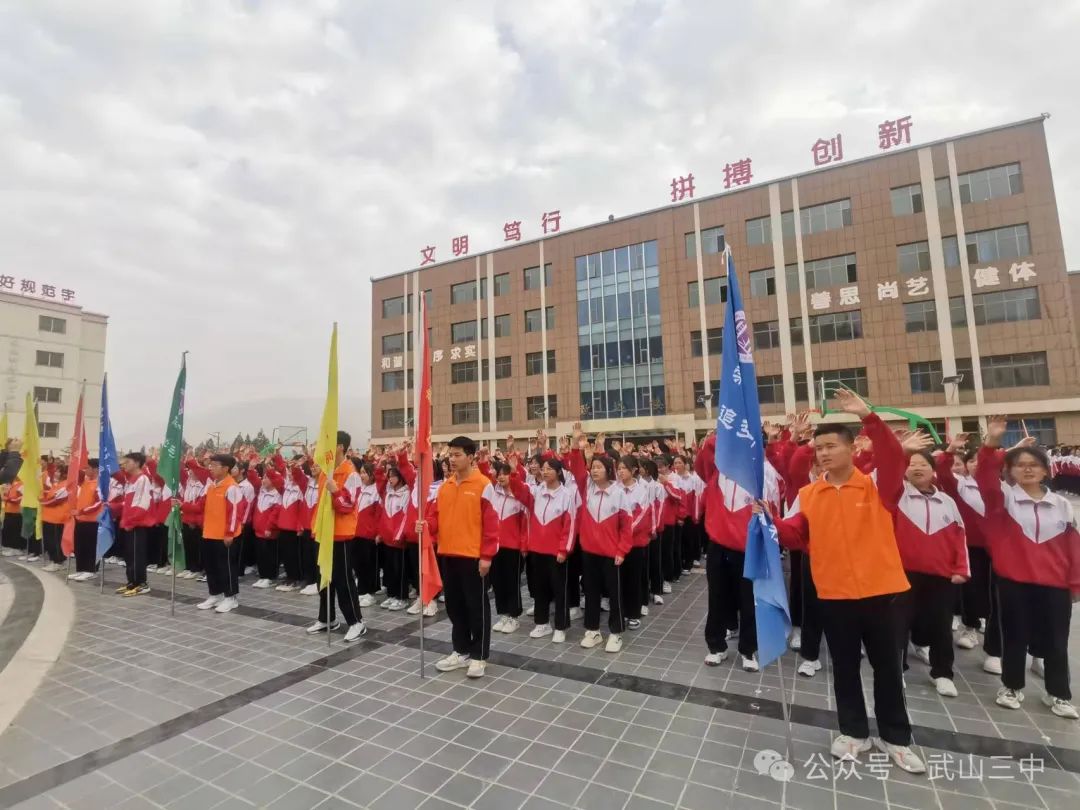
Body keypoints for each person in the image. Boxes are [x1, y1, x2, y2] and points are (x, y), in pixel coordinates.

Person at [765, 390, 926, 774]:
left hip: (883, 593)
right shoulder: (809, 494)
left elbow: (891, 456)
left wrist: (868, 416)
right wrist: (766, 523)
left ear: (852, 448)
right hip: (834, 594)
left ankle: (896, 738)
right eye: (818, 447)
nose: (823, 453)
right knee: (845, 666)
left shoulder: (876, 487)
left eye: (831, 446)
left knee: (888, 668)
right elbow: (795, 535)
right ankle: (854, 731)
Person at [976, 417, 1080, 720]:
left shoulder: (1061, 504)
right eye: (1020, 465)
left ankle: (1058, 694)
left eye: (1033, 465)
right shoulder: (1004, 500)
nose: (1027, 469)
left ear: (1046, 471)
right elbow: (984, 476)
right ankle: (1011, 686)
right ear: (1011, 471)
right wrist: (991, 443)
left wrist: (1074, 585)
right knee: (1015, 636)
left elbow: (1072, 548)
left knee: (1057, 641)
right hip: (1014, 583)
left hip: (1055, 586)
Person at [417, 436, 499, 678]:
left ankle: (479, 655)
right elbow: (435, 518)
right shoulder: (446, 486)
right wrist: (425, 525)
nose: (452, 460)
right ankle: (461, 650)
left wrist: (487, 556)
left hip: (473, 557)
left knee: (477, 607)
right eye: (450, 455)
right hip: (448, 554)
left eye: (457, 455)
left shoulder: (484, 484)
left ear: (471, 456)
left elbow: (492, 525)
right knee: (455, 606)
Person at [894, 449, 969, 698]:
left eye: (922, 464)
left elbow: (960, 537)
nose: (916, 468)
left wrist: (961, 569)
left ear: (932, 469)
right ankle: (897, 670)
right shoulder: (898, 497)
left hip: (941, 576)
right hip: (903, 573)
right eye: (911, 464)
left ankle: (942, 673)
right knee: (898, 625)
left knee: (941, 626)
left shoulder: (947, 502)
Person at [567, 437, 633, 653]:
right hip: (590, 552)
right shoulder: (587, 489)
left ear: (608, 470)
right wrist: (576, 446)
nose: (594, 471)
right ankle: (592, 630)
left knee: (615, 593)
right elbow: (577, 472)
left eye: (598, 468)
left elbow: (626, 525)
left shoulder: (618, 492)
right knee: (591, 592)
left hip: (612, 553)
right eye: (592, 467)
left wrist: (622, 550)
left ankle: (615, 632)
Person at [305, 430, 367, 643]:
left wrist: (335, 491)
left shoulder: (351, 474)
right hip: (322, 532)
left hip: (340, 534)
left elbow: (348, 506)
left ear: (340, 446)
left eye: (328, 442)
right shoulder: (326, 470)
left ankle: (356, 621)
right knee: (323, 577)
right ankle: (327, 618)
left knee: (343, 579)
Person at [516, 458, 576, 642]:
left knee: (559, 590)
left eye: (549, 469)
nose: (545, 471)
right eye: (543, 469)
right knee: (539, 589)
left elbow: (570, 524)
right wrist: (512, 471)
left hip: (556, 552)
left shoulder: (566, 494)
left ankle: (560, 626)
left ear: (559, 472)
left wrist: (563, 550)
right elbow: (519, 492)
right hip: (537, 550)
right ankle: (542, 624)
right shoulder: (536, 491)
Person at [198, 454, 244, 613]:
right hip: (209, 533)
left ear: (225, 468)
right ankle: (214, 594)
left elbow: (235, 513)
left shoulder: (232, 487)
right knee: (211, 567)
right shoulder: (211, 485)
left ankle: (230, 598)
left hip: (225, 535)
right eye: (210, 465)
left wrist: (230, 533)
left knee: (227, 567)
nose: (210, 468)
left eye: (214, 465)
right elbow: (201, 506)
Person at [488, 460, 528, 634]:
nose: (502, 477)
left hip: (513, 547)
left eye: (505, 473)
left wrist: (523, 546)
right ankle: (503, 613)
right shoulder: (494, 493)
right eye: (500, 473)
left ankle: (514, 616)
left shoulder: (519, 496)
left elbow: (525, 524)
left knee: (512, 583)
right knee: (497, 582)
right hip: (495, 545)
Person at [353, 461, 382, 607]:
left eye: (365, 472)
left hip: (369, 534)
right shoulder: (359, 489)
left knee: (369, 564)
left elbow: (378, 514)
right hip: (356, 532)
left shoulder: (376, 490)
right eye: (362, 472)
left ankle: (369, 592)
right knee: (358, 564)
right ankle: (362, 590)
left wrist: (377, 532)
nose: (363, 475)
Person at [70, 459, 103, 581]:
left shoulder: (99, 484)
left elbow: (98, 503)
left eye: (88, 468)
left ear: (96, 469)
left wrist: (82, 511)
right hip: (81, 520)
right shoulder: (85, 482)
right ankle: (81, 569)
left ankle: (91, 570)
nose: (85, 470)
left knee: (91, 547)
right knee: (80, 546)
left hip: (93, 521)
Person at [251, 465, 283, 588]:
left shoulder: (277, 495)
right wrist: (251, 468)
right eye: (263, 477)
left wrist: (269, 528)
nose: (263, 480)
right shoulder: (262, 491)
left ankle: (270, 577)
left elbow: (275, 515)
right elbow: (253, 480)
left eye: (267, 478)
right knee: (260, 555)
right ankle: (263, 576)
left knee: (270, 555)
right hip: (259, 531)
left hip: (270, 532)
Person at [178, 457, 209, 580]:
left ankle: (197, 568)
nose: (190, 473)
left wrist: (183, 507)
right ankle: (190, 567)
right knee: (188, 545)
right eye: (189, 470)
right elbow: (180, 473)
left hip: (197, 522)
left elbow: (199, 507)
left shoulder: (204, 485)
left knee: (197, 547)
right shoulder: (189, 484)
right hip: (186, 519)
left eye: (192, 470)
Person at [39, 468, 69, 572]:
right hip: (49, 518)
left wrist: (41, 501)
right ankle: (54, 560)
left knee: (55, 542)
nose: (55, 473)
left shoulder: (66, 485)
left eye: (57, 471)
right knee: (49, 541)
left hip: (57, 519)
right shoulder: (57, 484)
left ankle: (58, 562)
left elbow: (55, 500)